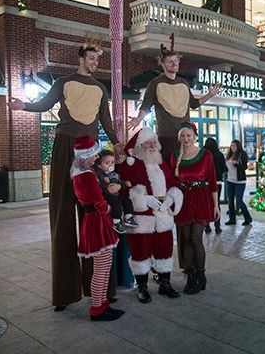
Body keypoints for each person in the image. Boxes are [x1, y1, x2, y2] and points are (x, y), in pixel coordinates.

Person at [7, 41, 122, 312]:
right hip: (64, 148)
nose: (95, 63)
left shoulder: (100, 88)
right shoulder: (63, 81)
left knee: (94, 214)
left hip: (92, 151)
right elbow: (45, 103)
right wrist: (24, 105)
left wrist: (116, 142)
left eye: (97, 60)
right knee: (62, 214)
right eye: (91, 58)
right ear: (81, 58)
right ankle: (64, 292)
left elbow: (105, 120)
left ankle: (102, 290)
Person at [128, 33, 221, 161]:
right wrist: (138, 119)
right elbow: (146, 105)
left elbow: (194, 103)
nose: (174, 63)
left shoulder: (183, 83)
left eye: (176, 60)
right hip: (166, 139)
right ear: (163, 64)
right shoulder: (156, 83)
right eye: (170, 61)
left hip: (185, 138)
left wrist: (210, 95)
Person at [117, 127, 183, 303]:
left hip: (163, 216)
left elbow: (173, 184)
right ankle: (142, 287)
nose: (153, 145)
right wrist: (143, 199)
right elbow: (122, 190)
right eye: (148, 142)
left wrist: (171, 198)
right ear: (140, 146)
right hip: (140, 218)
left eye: (154, 141)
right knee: (140, 251)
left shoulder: (162, 163)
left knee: (165, 249)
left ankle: (165, 283)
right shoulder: (129, 165)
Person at [70, 136, 123, 321]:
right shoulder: (85, 174)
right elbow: (98, 200)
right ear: (86, 154)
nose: (96, 157)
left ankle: (102, 304)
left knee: (104, 265)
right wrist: (108, 208)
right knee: (101, 267)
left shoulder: (81, 171)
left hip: (95, 220)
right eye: (93, 154)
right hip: (97, 222)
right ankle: (97, 308)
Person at [171, 121, 220, 295]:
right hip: (183, 200)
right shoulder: (175, 155)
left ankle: (200, 275)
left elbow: (213, 181)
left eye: (189, 135)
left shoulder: (206, 155)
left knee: (195, 237)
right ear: (179, 138)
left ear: (195, 136)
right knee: (185, 238)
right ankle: (191, 276)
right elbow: (173, 182)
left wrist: (216, 205)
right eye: (183, 136)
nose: (186, 139)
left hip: (201, 198)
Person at [94, 150, 139, 234]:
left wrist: (124, 183)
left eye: (112, 162)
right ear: (99, 165)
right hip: (106, 195)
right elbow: (104, 186)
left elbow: (119, 181)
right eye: (107, 163)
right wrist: (105, 182)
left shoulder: (113, 173)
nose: (110, 164)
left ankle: (128, 217)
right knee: (117, 204)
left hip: (116, 194)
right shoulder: (99, 174)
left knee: (127, 200)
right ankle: (116, 222)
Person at [224, 140, 253, 226]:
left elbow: (245, 167)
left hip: (240, 181)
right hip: (230, 180)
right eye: (232, 146)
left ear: (238, 146)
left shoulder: (242, 154)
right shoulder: (229, 155)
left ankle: (248, 218)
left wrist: (237, 165)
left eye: (234, 146)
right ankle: (232, 219)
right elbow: (227, 167)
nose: (233, 147)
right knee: (230, 200)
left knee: (239, 200)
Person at [203, 137, 226, 234]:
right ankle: (217, 226)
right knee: (216, 204)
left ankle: (207, 226)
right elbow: (224, 168)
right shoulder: (219, 154)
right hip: (217, 181)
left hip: (206, 182)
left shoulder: (203, 154)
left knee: (206, 204)